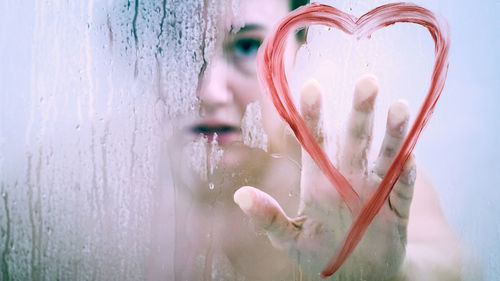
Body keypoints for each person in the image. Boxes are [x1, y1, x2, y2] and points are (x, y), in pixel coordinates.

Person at [151, 0, 465, 280]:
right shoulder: (119, 184)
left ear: (299, 48)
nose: (210, 90)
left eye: (246, 46)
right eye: (183, 47)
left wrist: (393, 273)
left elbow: (452, 264)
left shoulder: (357, 182)